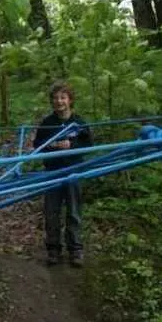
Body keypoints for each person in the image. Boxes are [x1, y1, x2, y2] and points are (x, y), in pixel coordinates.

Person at [33, 81, 93, 268]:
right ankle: (53, 250)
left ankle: (75, 250)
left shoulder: (79, 122)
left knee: (74, 211)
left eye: (63, 98)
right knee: (52, 212)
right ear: (52, 101)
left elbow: (88, 145)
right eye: (56, 98)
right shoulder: (47, 123)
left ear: (70, 100)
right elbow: (37, 146)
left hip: (73, 171)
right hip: (52, 172)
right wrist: (50, 146)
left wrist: (71, 146)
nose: (59, 101)